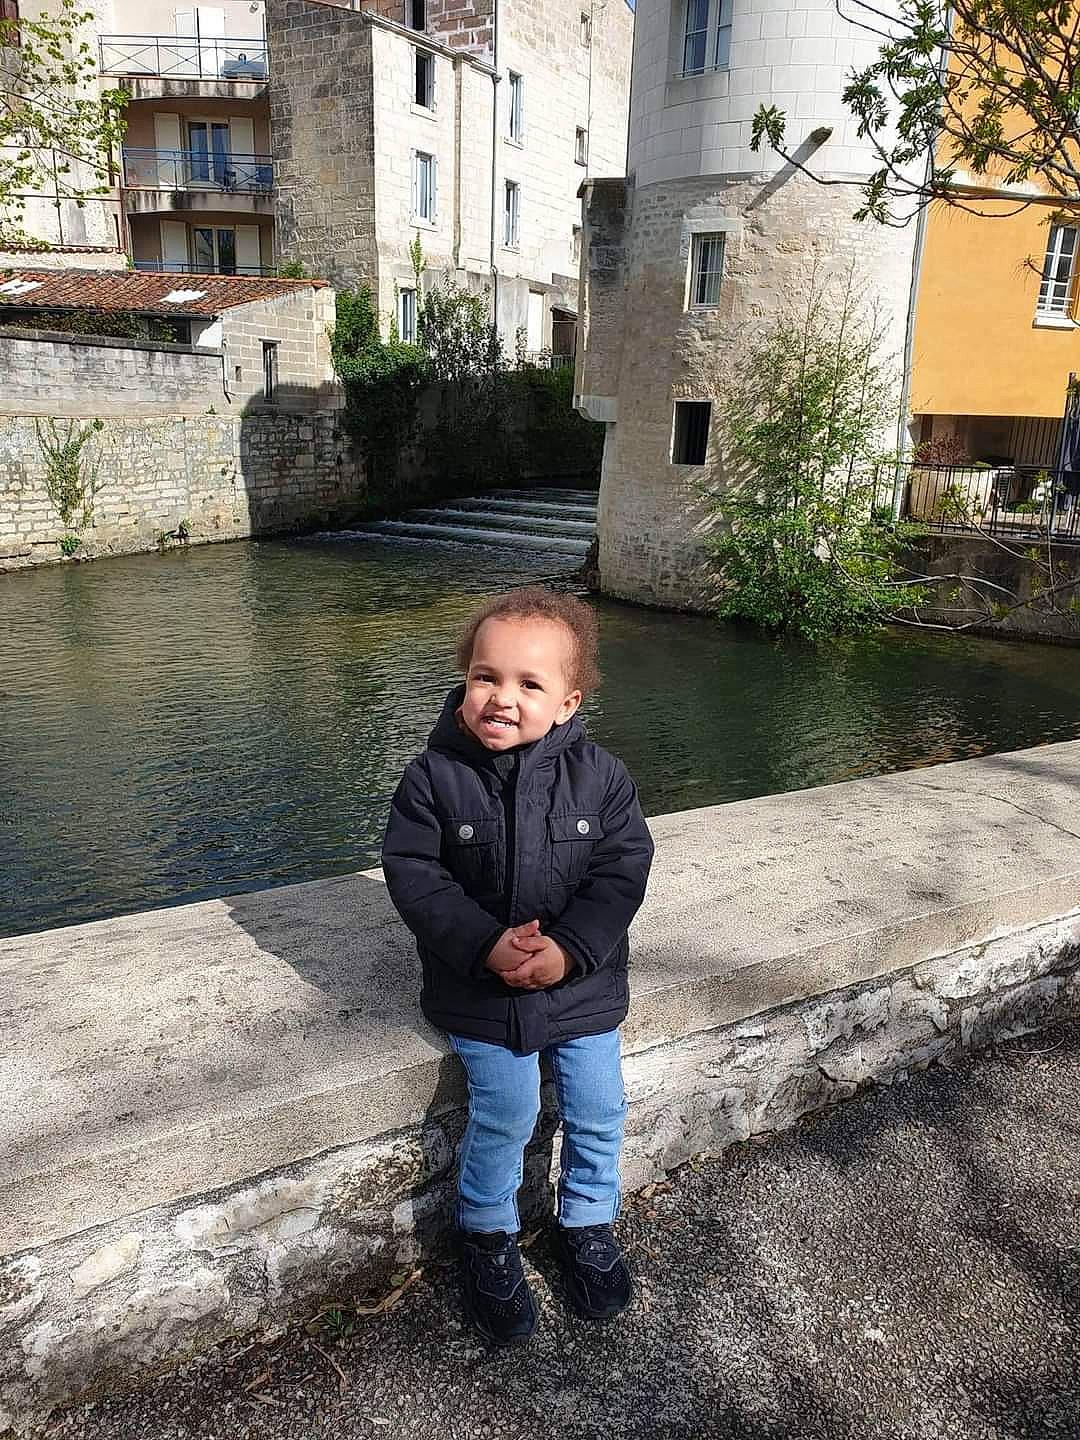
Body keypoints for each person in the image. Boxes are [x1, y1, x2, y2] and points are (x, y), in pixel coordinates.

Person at [381, 586, 654, 1347]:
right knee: (506, 1111)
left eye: (529, 685)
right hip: (480, 991)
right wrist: (483, 945)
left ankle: (588, 1223)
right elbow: (415, 874)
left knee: (599, 1109)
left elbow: (621, 871)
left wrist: (570, 949)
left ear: (567, 703)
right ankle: (486, 1235)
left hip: (583, 987)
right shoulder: (432, 778)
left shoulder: (601, 779)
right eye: (485, 677)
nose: (502, 698)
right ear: (465, 680)